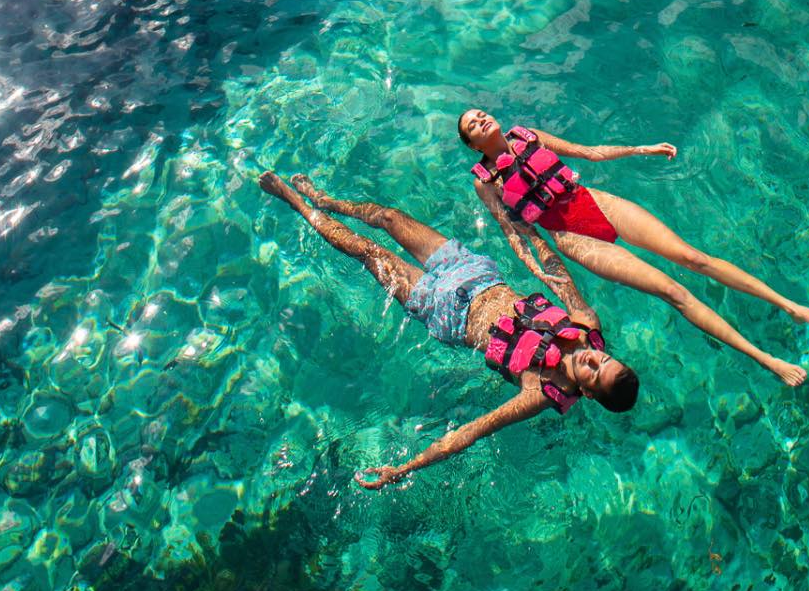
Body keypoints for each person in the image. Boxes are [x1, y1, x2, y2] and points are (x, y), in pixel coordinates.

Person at [257, 170, 640, 489]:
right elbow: (558, 275)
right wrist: (528, 232)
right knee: (389, 218)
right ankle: (325, 200)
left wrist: (402, 470)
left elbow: (471, 432)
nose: (592, 357)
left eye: (594, 370)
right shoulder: (586, 326)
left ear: (587, 393)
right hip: (474, 272)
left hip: (443, 311)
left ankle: (296, 202)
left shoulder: (538, 391)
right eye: (603, 358)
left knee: (366, 251)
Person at [458, 110, 809, 387]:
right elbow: (513, 232)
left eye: (480, 114)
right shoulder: (486, 181)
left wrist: (642, 148)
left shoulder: (528, 135)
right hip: (571, 237)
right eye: (472, 126)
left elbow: (589, 153)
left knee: (693, 258)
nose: (480, 120)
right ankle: (765, 359)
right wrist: (536, 267)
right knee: (673, 291)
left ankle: (792, 306)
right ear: (474, 145)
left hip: (594, 202)